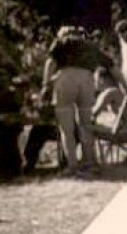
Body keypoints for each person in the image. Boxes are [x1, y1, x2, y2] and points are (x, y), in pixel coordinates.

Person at [42, 25, 112, 173]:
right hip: (86, 79)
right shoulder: (89, 45)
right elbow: (110, 65)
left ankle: (72, 164)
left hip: (65, 78)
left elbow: (50, 63)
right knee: (86, 124)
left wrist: (46, 86)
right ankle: (89, 161)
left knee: (66, 127)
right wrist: (125, 85)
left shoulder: (60, 43)